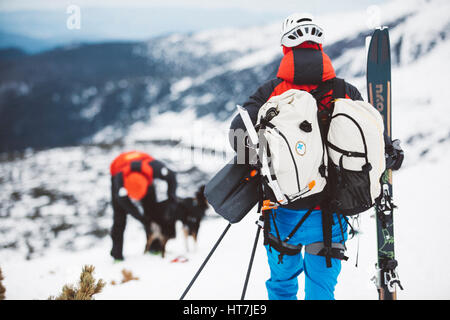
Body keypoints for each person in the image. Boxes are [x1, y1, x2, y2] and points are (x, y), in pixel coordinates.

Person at [229, 13, 404, 300]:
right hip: (330, 214)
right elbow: (374, 140)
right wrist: (392, 153)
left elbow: (238, 132)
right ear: (321, 48)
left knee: (281, 286)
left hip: (281, 213)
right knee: (321, 290)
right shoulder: (344, 91)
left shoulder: (270, 92)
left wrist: (257, 162)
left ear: (287, 49)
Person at [109, 151, 177, 261]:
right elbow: (125, 204)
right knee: (119, 218)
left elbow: (172, 176)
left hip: (144, 170)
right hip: (118, 167)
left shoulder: (155, 168)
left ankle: (155, 248)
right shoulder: (119, 181)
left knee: (152, 211)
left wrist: (172, 198)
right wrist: (142, 219)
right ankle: (117, 255)